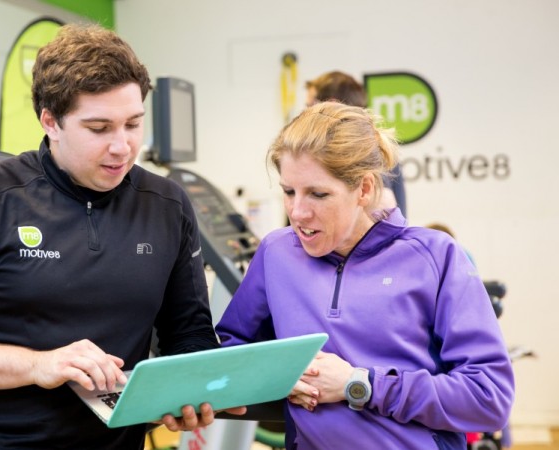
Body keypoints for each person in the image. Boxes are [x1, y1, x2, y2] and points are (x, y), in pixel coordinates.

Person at [0, 23, 242, 449]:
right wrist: (37, 365)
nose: (122, 147)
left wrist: (191, 390)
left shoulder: (167, 205)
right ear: (51, 121)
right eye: (99, 129)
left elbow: (187, 333)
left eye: (133, 124)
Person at [215, 102, 514, 449]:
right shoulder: (276, 254)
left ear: (365, 189)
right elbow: (231, 352)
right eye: (288, 191)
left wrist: (359, 384)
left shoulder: (434, 256)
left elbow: (489, 397)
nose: (297, 212)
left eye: (318, 193)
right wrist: (273, 375)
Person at [305, 70, 407, 217]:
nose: (305, 115)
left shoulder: (363, 149)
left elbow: (382, 210)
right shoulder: (375, 145)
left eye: (310, 106)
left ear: (332, 104)